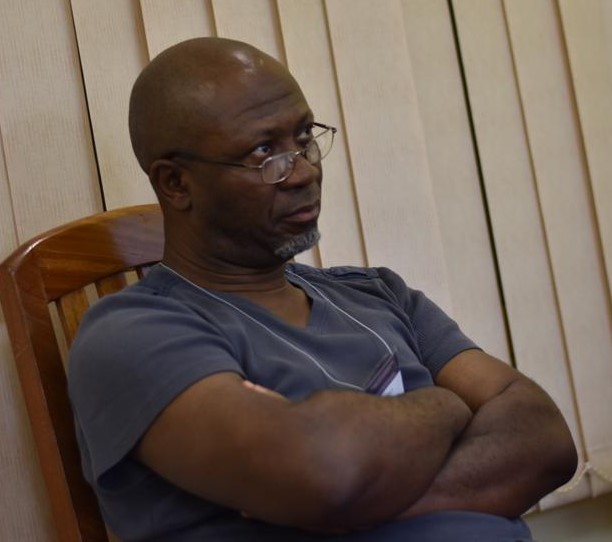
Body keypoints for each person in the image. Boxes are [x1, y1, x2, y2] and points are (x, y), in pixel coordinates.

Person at [68, 37, 577, 542]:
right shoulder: (131, 335)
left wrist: (374, 496)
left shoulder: (378, 294)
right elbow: (323, 472)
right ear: (177, 184)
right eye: (265, 151)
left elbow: (545, 438)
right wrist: (449, 407)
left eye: (305, 135)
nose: (306, 169)